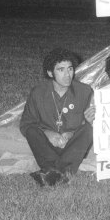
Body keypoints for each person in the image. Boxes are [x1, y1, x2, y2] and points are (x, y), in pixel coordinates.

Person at [20, 48, 93, 187]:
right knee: (31, 132)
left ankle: (52, 172)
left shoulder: (85, 91)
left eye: (70, 69)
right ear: (50, 73)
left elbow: (89, 123)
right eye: (61, 70)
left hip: (73, 145)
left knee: (89, 130)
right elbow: (26, 123)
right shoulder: (38, 92)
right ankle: (63, 172)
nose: (68, 75)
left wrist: (72, 133)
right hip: (47, 146)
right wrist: (47, 133)